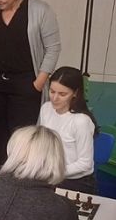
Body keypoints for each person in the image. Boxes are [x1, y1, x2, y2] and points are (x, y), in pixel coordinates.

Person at [0, 0, 61, 174]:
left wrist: (39, 82)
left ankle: (21, 175)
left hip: (25, 82)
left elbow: (53, 48)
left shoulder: (41, 11)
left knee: (22, 133)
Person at [38, 66, 97, 194]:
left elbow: (85, 163)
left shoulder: (81, 121)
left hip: (76, 182)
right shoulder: (46, 109)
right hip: (50, 174)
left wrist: (52, 172)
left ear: (75, 93)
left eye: (62, 94)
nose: (55, 98)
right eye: (52, 91)